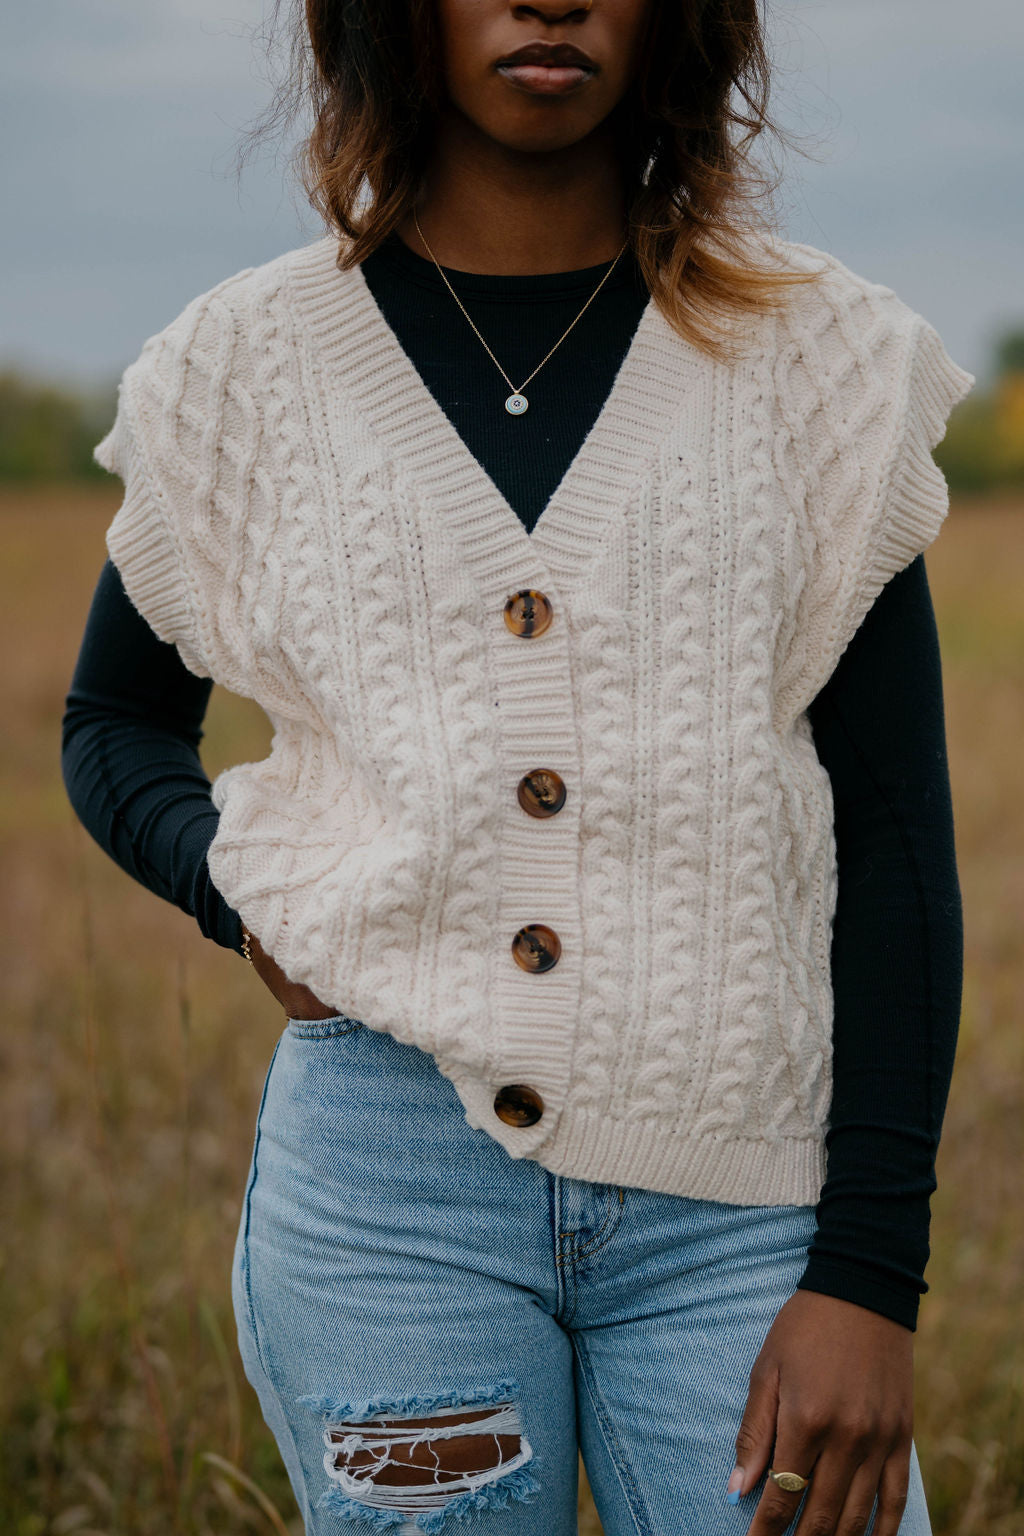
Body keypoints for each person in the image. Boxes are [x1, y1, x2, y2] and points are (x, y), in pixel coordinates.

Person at [61, 2, 975, 1533]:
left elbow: (895, 848)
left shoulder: (822, 365)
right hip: (385, 1204)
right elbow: (113, 726)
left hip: (741, 1202)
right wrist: (243, 895)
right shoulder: (242, 371)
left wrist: (869, 1285)